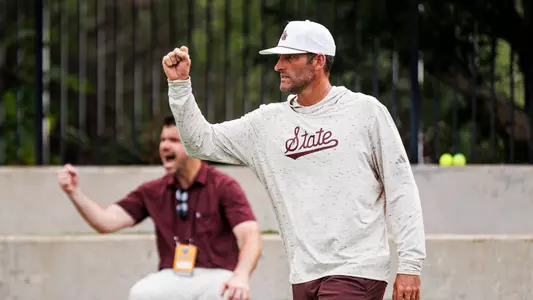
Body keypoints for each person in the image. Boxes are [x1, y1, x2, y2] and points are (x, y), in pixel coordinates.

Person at [162, 19, 426, 300]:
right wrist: (179, 86)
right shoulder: (266, 124)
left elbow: (401, 189)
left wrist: (410, 264)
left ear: (318, 61)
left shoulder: (365, 112)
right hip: (303, 275)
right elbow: (200, 143)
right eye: (279, 58)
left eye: (290, 57)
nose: (279, 66)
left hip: (356, 271)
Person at [56, 116, 262, 300]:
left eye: (173, 140)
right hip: (173, 275)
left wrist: (241, 276)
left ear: (193, 144)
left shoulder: (223, 186)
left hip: (216, 276)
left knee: (230, 294)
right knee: (142, 293)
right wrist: (74, 192)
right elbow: (105, 222)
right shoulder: (153, 191)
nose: (164, 146)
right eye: (162, 140)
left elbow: (250, 237)